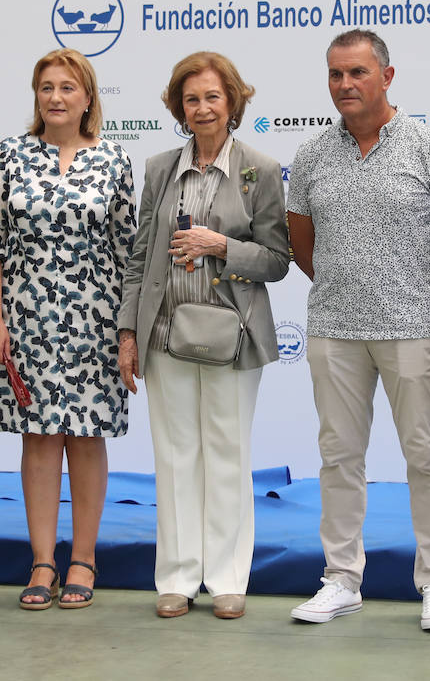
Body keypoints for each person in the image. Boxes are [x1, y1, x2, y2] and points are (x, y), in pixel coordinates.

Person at [285, 28, 430, 632]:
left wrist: (407, 292)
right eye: (335, 74)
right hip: (334, 328)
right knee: (338, 456)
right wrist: (348, 286)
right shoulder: (311, 156)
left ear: (387, 77)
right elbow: (303, 245)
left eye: (357, 73)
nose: (344, 85)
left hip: (413, 325)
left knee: (426, 453)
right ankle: (341, 579)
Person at [116, 52, 289, 620]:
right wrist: (127, 331)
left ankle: (228, 578)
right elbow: (141, 255)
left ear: (232, 102)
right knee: (174, 454)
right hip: (163, 331)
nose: (203, 108)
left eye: (213, 97)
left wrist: (220, 247)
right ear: (178, 107)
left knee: (227, 452)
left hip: (232, 336)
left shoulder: (258, 169)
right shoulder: (160, 167)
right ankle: (177, 578)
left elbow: (276, 260)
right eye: (192, 99)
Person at [0, 48, 135, 610]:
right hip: (25, 320)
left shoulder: (115, 159)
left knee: (86, 439)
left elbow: (127, 250)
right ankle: (42, 560)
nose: (56, 96)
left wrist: (127, 330)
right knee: (39, 439)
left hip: (95, 319)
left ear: (88, 98)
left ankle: (84, 559)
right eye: (46, 87)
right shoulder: (9, 156)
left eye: (68, 87)